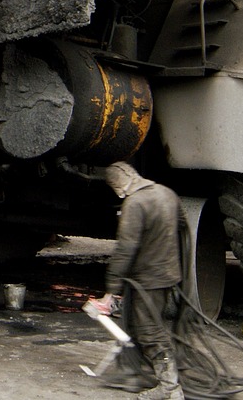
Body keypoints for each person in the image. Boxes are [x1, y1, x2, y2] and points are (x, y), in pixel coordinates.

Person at [92, 161, 184, 400]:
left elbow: (125, 249)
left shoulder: (134, 203)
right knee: (134, 325)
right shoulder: (167, 193)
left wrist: (111, 290)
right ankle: (138, 374)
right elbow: (182, 225)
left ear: (117, 188)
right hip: (168, 275)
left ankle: (170, 389)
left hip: (149, 280)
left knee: (150, 332)